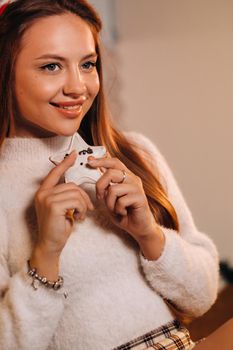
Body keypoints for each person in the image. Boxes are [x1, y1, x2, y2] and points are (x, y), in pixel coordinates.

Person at [0, 0, 231, 349]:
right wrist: (45, 255)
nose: (78, 86)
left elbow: (201, 297)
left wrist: (149, 234)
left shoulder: (134, 153)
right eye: (51, 66)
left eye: (88, 64)